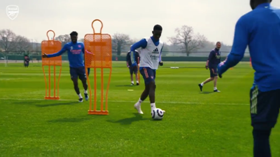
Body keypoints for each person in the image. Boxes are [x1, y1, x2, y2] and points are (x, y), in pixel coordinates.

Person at [217, 0, 277, 157]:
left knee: (261, 133)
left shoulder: (246, 20)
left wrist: (221, 67)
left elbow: (236, 55)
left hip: (267, 84)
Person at [42, 31, 88, 102]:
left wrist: (92, 54)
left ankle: (85, 92)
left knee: (84, 82)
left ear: (77, 37)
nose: (74, 39)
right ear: (71, 38)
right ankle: (80, 97)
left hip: (81, 67)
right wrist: (48, 56)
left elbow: (86, 53)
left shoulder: (81, 44)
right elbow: (59, 53)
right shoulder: (68, 45)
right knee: (75, 82)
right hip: (73, 68)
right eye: (72, 38)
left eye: (75, 37)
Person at [131, 24, 164, 115]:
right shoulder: (146, 41)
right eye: (156, 34)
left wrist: (160, 60)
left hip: (153, 67)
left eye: (159, 34)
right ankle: (153, 109)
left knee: (148, 88)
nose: (158, 36)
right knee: (152, 85)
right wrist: (133, 61)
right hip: (145, 66)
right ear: (153, 32)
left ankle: (138, 104)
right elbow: (132, 47)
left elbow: (159, 53)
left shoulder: (161, 43)